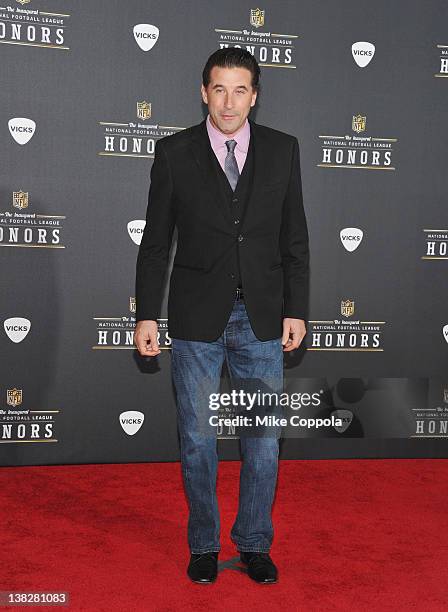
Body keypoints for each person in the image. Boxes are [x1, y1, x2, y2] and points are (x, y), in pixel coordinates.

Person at [134, 47, 310, 584]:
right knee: (197, 440)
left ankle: (255, 542)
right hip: (196, 319)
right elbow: (156, 244)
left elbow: (294, 238)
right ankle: (204, 544)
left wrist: (296, 309)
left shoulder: (283, 150)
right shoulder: (173, 153)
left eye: (240, 90)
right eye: (219, 89)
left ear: (254, 96)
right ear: (203, 92)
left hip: (261, 317)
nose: (229, 102)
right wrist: (146, 315)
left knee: (261, 443)